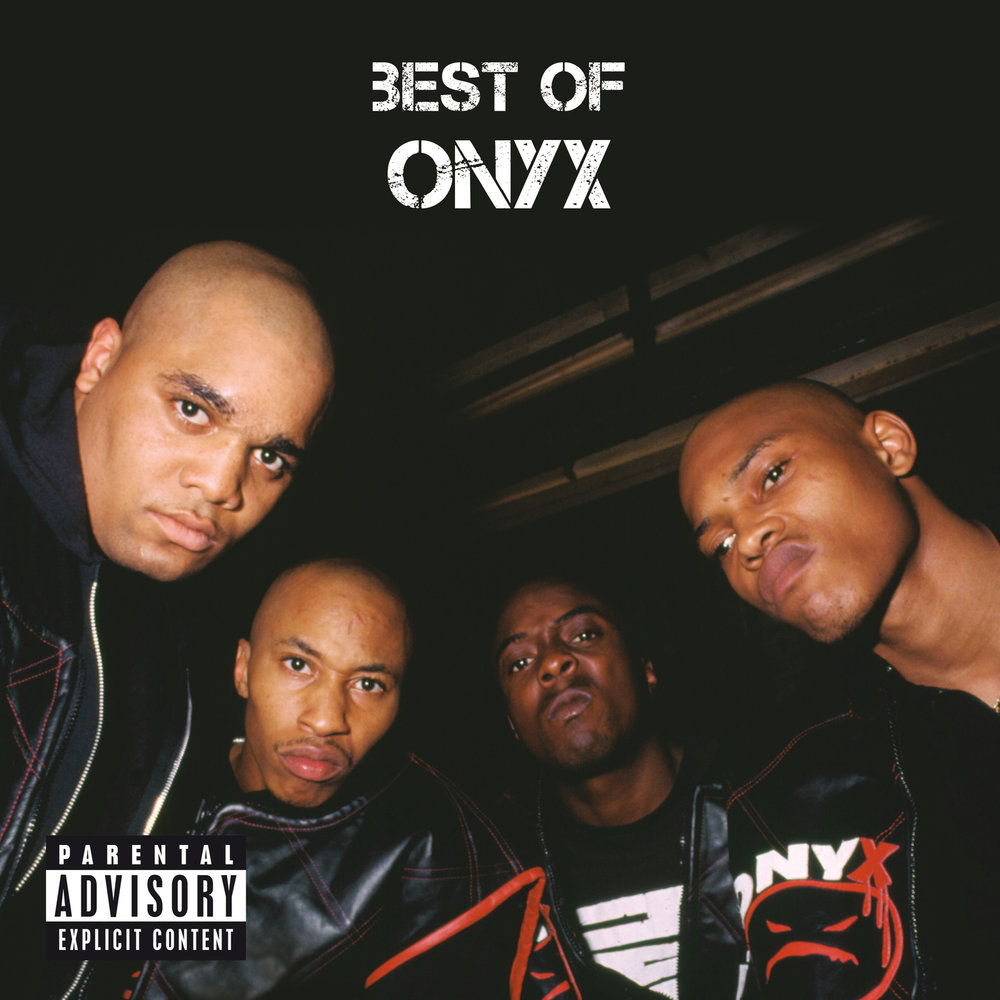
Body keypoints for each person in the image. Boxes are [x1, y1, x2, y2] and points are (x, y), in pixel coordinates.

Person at [0, 240, 336, 997]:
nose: (222, 486)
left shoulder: (154, 621)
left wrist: (284, 898)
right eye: (192, 410)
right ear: (100, 359)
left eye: (271, 458)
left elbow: (54, 911)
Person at [677, 378, 1000, 998]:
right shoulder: (791, 797)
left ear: (888, 445)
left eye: (772, 475)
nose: (747, 542)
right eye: (720, 543)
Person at [127, 558, 579, 1000]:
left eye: (368, 684)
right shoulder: (135, 782)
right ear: (243, 668)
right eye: (298, 665)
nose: (327, 720)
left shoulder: (427, 849)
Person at [492, 574, 745, 1000]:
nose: (552, 663)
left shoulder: (764, 801)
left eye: (583, 635)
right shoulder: (497, 878)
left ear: (646, 669)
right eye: (519, 662)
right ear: (512, 725)